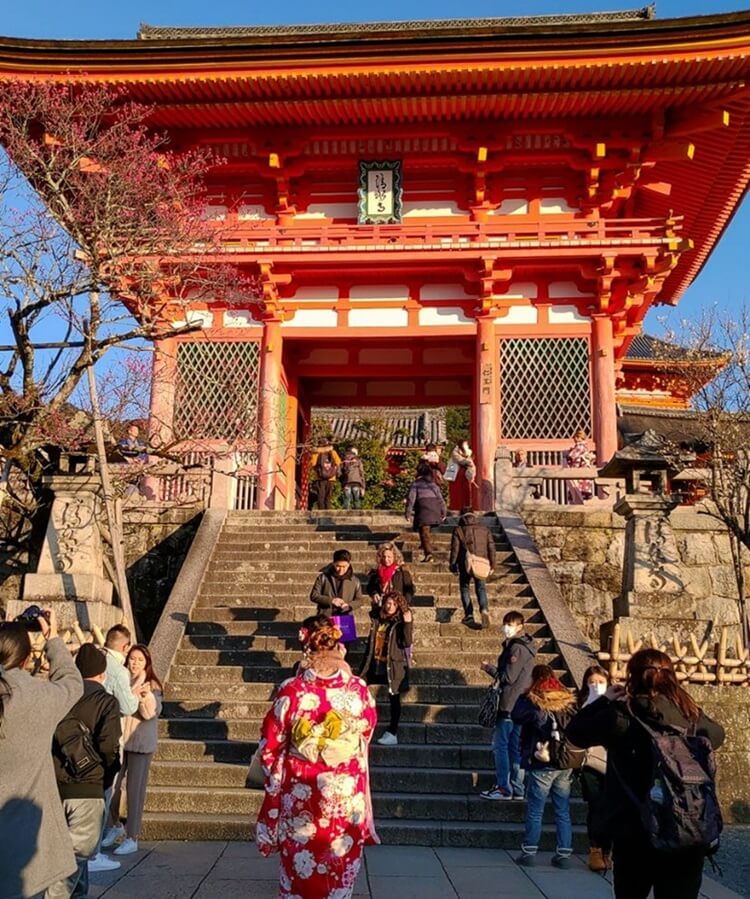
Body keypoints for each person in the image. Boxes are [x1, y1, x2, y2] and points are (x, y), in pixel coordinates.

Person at [566, 648, 725, 899]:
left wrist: (605, 699)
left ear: (633, 676)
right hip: (684, 826)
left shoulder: (621, 715)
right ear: (671, 677)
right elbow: (717, 736)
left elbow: (575, 731)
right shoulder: (689, 715)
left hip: (633, 828)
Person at [255, 617, 379, 899]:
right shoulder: (358, 690)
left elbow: (269, 747)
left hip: (302, 794)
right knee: (340, 865)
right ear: (340, 648)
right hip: (344, 798)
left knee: (299, 867)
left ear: (307, 649)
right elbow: (366, 732)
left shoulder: (292, 690)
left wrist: (277, 776)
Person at [0, 610, 84, 899]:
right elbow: (73, 683)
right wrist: (53, 640)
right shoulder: (37, 697)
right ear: (26, 658)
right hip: (25, 843)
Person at [48, 644, 121, 899]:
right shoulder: (106, 702)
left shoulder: (62, 697)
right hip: (89, 787)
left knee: (72, 859)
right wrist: (108, 773)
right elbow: (109, 746)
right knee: (76, 858)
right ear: (103, 674)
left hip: (56, 787)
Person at [512, 664, 578, 868]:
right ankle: (564, 853)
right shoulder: (567, 701)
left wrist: (524, 694)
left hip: (541, 761)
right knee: (562, 809)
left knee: (535, 809)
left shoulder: (535, 701)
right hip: (564, 763)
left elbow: (516, 715)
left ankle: (529, 851)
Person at [104, 644, 163, 856]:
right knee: (112, 786)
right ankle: (114, 825)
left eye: (139, 659)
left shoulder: (153, 685)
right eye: (132, 658)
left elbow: (150, 713)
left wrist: (143, 696)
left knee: (135, 791)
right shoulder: (122, 677)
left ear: (147, 662)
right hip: (119, 742)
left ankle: (132, 836)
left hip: (140, 744)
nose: (135, 663)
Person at [90, 623, 138, 873]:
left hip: (83, 735)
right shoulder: (118, 670)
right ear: (125, 646)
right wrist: (137, 692)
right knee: (104, 793)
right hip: (109, 736)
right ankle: (93, 852)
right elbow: (128, 706)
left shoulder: (93, 660)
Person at [479, 611, 537, 801]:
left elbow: (508, 677)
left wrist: (489, 668)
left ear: (520, 626)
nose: (507, 627)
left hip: (510, 703)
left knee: (501, 746)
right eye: (505, 623)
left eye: (510, 624)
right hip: (519, 703)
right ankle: (517, 787)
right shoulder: (524, 647)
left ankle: (504, 787)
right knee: (514, 747)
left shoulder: (516, 649)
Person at [359, 590, 413, 747]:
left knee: (394, 697)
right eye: (388, 603)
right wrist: (375, 602)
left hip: (392, 665)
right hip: (374, 662)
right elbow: (374, 612)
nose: (391, 606)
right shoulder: (378, 618)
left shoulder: (400, 621)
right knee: (359, 688)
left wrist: (408, 623)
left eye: (395, 604)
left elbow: (406, 642)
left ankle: (392, 732)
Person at [576, 665, 612, 873]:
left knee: (612, 808)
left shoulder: (615, 704)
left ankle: (608, 850)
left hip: (613, 763)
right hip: (590, 763)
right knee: (596, 806)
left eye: (600, 682)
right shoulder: (581, 705)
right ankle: (596, 849)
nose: (595, 686)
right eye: (591, 682)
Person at [449, 507, 496, 629]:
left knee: (465, 588)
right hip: (482, 563)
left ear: (462, 516)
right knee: (481, 588)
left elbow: (455, 549)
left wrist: (453, 564)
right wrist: (493, 564)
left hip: (465, 563)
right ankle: (484, 609)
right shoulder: (484, 529)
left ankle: (469, 615)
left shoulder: (459, 530)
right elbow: (491, 548)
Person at [406, 461, 447, 563]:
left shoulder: (416, 484)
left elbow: (411, 499)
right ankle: (426, 549)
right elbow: (441, 499)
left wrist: (408, 513)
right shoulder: (433, 484)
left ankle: (429, 554)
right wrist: (444, 512)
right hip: (435, 510)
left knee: (424, 533)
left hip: (424, 510)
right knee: (426, 532)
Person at [309, 549, 363, 618]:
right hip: (325, 618)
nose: (341, 570)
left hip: (345, 617)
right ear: (333, 563)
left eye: (344, 566)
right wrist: (331, 601)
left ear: (349, 565)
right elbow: (314, 595)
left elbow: (359, 600)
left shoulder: (355, 581)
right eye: (338, 566)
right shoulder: (323, 577)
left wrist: (349, 606)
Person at [366, 542, 415, 608]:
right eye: (384, 556)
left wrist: (404, 603)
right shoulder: (377, 571)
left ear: (395, 557)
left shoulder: (402, 571)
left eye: (389, 557)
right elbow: (370, 587)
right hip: (381, 607)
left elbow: (410, 589)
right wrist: (374, 593)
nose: (386, 559)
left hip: (398, 607)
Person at [310, 437, 341, 511]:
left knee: (321, 495)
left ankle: (321, 511)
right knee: (328, 496)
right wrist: (333, 470)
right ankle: (328, 512)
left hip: (320, 478)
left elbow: (313, 464)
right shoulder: (332, 452)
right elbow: (338, 462)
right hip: (331, 478)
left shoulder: (316, 453)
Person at [566, 429, 596, 503]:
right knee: (583, 486)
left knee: (578, 487)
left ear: (579, 437)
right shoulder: (584, 447)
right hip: (584, 469)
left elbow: (572, 456)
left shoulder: (580, 446)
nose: (575, 439)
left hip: (580, 469)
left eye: (576, 437)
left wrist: (568, 455)